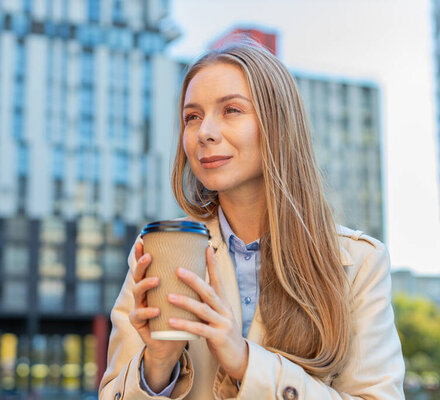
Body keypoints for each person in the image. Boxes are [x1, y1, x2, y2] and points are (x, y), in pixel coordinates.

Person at [98, 42, 405, 400]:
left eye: (231, 110)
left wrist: (246, 363)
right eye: (192, 117)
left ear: (278, 124)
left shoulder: (359, 263)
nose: (204, 133)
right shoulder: (158, 251)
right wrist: (157, 365)